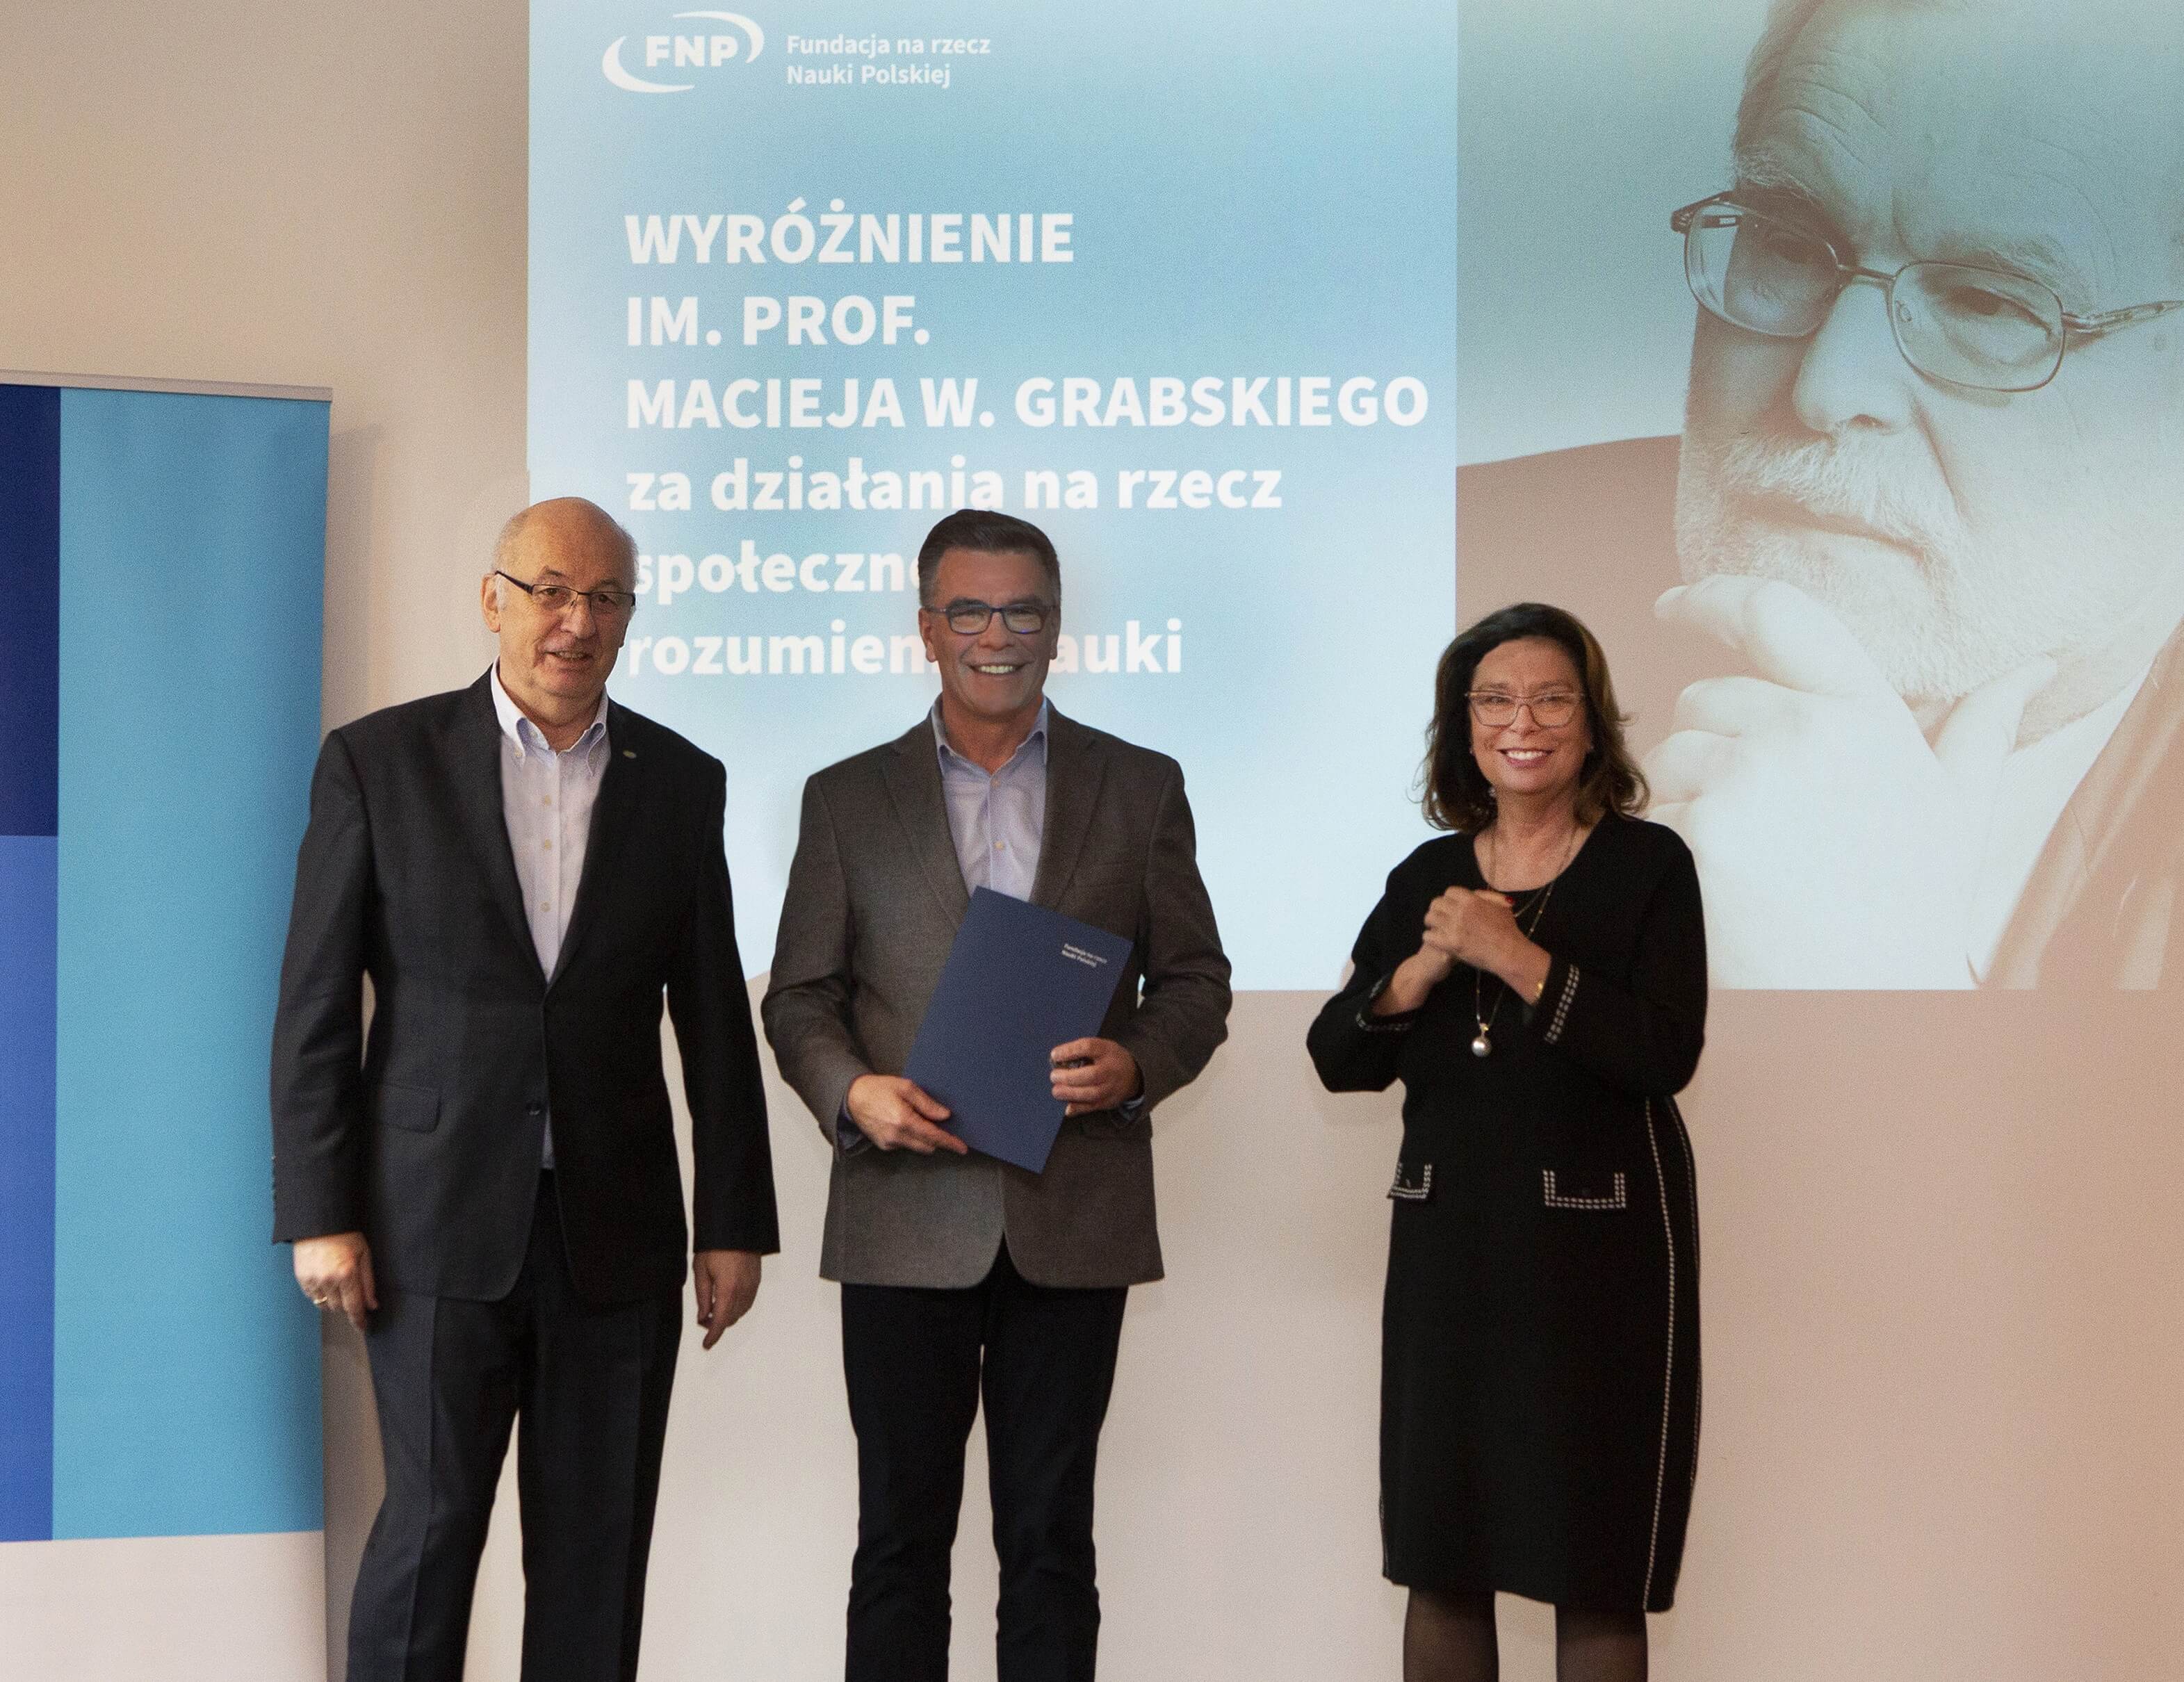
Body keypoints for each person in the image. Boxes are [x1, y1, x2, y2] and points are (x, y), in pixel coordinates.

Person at [1456, 0, 2184, 988]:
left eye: (1991, 303)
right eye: (1790, 244)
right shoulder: (1409, 578)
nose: (1826, 385)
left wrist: (1878, 1003)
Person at [269, 496, 779, 1682]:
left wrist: (733, 1222)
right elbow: (313, 1006)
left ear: (629, 619)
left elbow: (712, 1016)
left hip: (618, 1236)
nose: (576, 622)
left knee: (597, 1557)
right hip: (429, 1225)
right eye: (551, 592)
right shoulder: (379, 762)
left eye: (605, 598)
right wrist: (319, 1211)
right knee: (429, 1535)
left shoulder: (680, 781)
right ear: (493, 601)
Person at [762, 507, 1232, 1682]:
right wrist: (852, 1093)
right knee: (898, 1544)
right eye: (968, 611)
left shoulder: (1140, 786)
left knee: (1050, 1546)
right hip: (903, 1217)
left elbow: (1194, 984)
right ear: (926, 628)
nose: (996, 635)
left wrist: (1135, 1065)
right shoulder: (845, 797)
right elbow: (800, 998)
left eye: (1022, 611)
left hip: (1073, 1217)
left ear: (1056, 627)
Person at [1307, 603, 1704, 1682]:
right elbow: (1337, 1057)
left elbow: (1663, 1052)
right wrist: (1417, 973)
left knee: (1592, 1557)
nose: (1520, 723)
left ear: (1590, 722)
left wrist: (1514, 956)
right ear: (1463, 725)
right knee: (1442, 1552)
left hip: (1599, 1258)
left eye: (1549, 699)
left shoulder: (1647, 864)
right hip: (1450, 1248)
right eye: (1493, 700)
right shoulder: (1425, 874)